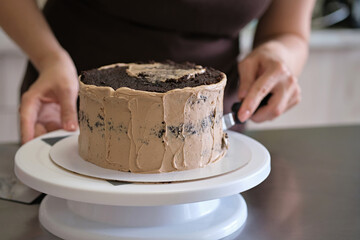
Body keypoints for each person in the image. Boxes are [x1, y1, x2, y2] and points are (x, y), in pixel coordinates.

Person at [0, 0, 315, 144]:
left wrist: (280, 53)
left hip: (209, 126)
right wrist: (49, 57)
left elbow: (289, 31)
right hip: (73, 107)